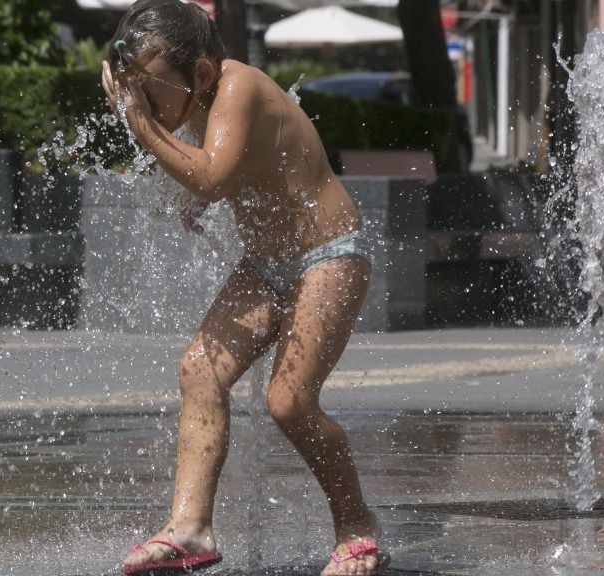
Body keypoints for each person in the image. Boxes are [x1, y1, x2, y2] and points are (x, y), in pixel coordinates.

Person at [99, 1, 388, 575]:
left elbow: (212, 170)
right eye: (141, 100)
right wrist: (195, 191)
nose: (151, 112)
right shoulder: (199, 99)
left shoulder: (238, 87)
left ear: (201, 74)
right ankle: (190, 528)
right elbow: (232, 167)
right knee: (199, 370)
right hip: (267, 265)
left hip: (327, 257)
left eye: (154, 97)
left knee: (289, 402)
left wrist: (143, 126)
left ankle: (356, 522)